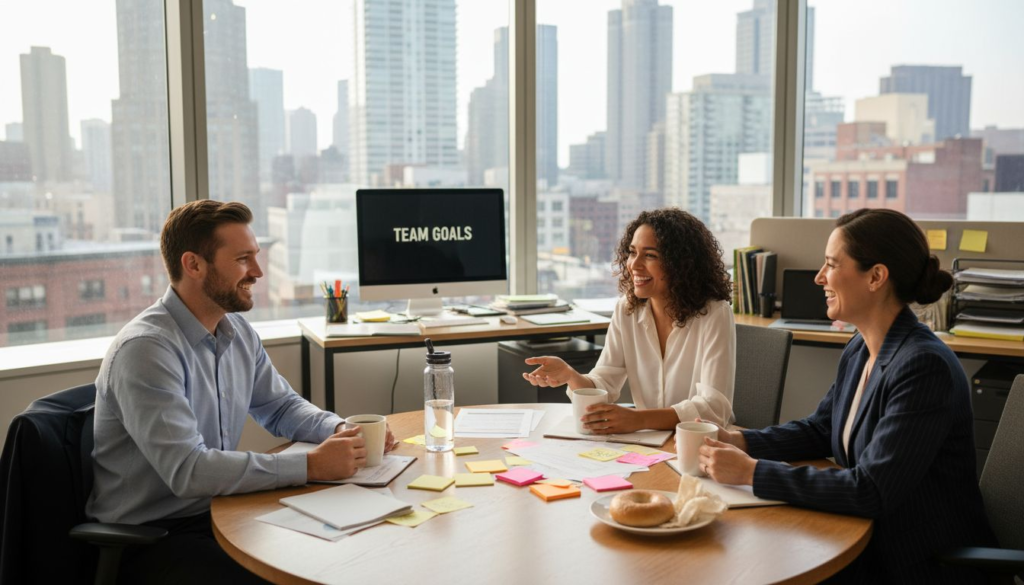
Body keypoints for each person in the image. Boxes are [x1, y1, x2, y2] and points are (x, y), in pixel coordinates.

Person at [87, 200, 397, 584]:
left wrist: (338, 431)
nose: (259, 272)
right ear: (194, 265)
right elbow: (189, 472)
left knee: (348, 556)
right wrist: (313, 465)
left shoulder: (235, 331)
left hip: (221, 513)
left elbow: (280, 407)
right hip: (154, 539)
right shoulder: (146, 349)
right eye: (243, 259)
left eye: (257, 257)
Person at [698, 209, 996, 582]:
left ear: (876, 277)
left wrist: (751, 472)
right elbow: (821, 430)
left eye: (831, 265)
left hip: (917, 562)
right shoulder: (862, 346)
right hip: (863, 538)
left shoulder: (923, 366)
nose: (820, 277)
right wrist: (740, 440)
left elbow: (872, 490)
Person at [523, 208, 736, 432]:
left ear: (681, 264)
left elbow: (714, 409)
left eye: (650, 255)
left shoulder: (715, 314)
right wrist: (571, 376)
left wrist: (639, 419)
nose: (634, 265)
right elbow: (605, 382)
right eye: (633, 252)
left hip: (700, 443)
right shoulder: (627, 309)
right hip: (647, 442)